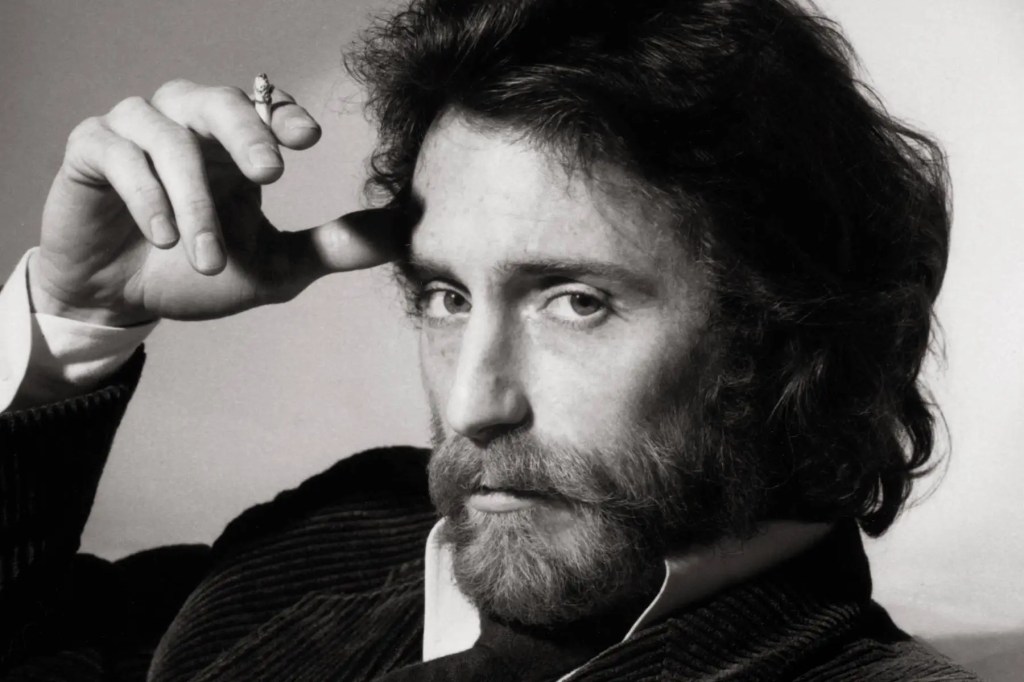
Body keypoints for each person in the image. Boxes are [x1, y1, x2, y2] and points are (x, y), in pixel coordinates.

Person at [0, 0, 979, 679]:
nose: (472, 405)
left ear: (787, 336)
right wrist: (80, 312)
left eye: (576, 302)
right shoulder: (324, 538)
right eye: (445, 296)